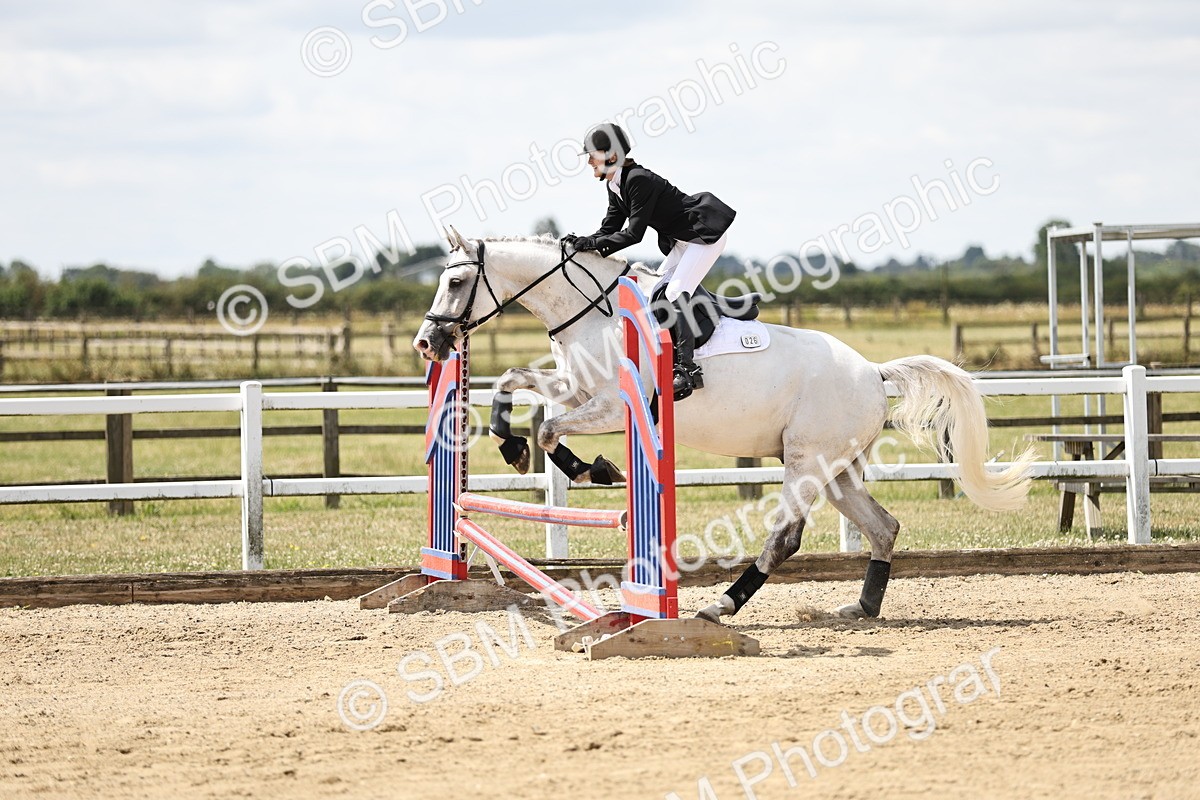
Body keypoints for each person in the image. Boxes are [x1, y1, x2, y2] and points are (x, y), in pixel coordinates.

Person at [563, 123, 736, 401]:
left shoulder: (637, 180)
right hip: (683, 241)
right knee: (656, 292)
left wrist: (593, 244)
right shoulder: (615, 185)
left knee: (675, 293)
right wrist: (581, 243)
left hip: (704, 236)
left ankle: (688, 369)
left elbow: (634, 234)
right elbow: (608, 229)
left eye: (592, 155)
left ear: (611, 155)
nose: (589, 161)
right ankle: (668, 359)